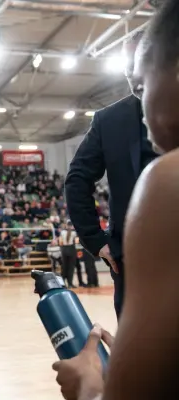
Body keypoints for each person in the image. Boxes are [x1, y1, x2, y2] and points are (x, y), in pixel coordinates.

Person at [0, 0, 179, 400]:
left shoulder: (168, 182)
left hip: (133, 257)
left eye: (142, 82)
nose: (137, 102)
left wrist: (90, 384)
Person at [64, 31, 159, 318]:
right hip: (131, 256)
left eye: (136, 62)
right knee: (139, 351)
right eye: (125, 64)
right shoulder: (109, 120)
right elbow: (77, 179)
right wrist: (96, 239)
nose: (130, 72)